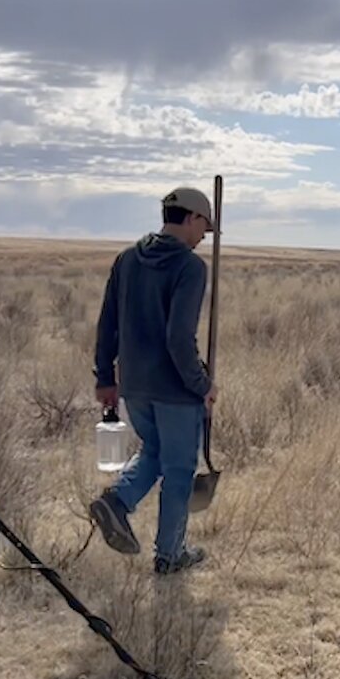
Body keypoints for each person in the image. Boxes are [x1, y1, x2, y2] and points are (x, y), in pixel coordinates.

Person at [89, 186, 219, 575]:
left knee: (155, 453)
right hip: (175, 389)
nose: (203, 238)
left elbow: (106, 323)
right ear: (192, 218)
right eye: (204, 228)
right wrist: (202, 384)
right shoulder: (190, 267)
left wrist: (104, 376)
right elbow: (179, 338)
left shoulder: (128, 259)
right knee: (178, 469)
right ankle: (170, 553)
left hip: (135, 385)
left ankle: (117, 502)